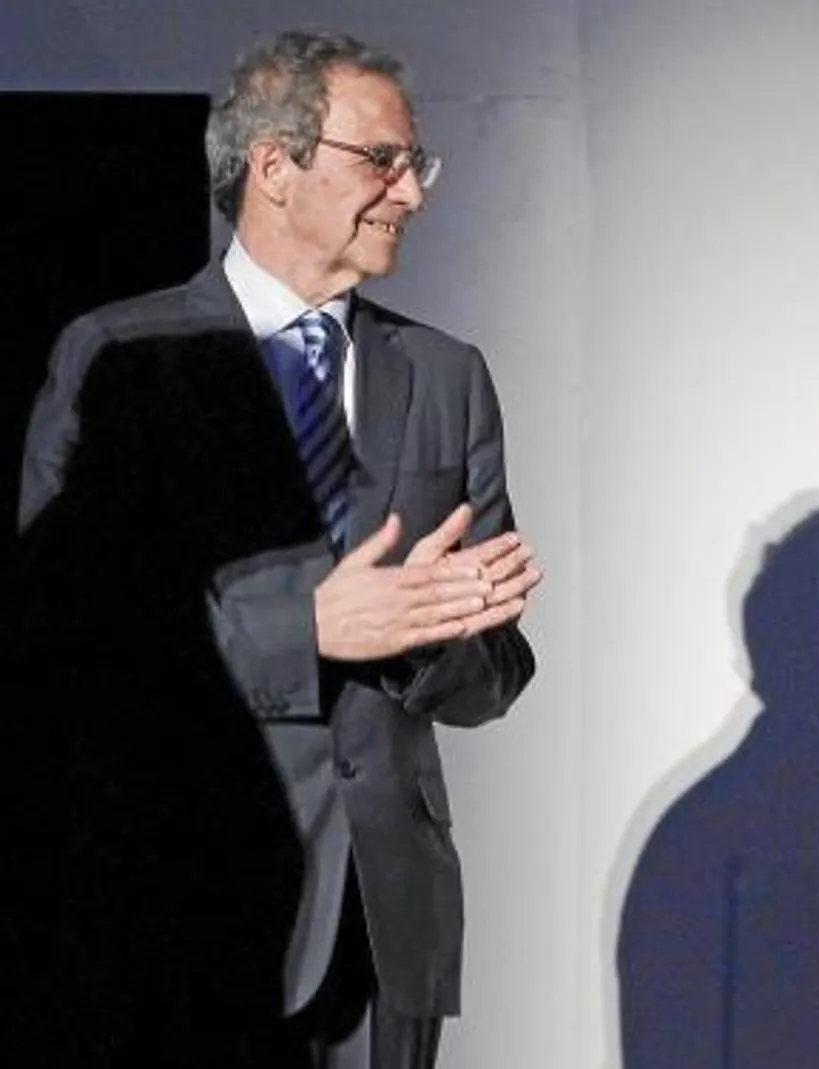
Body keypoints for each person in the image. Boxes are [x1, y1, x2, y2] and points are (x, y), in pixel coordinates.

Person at [20, 29, 541, 1069]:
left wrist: (423, 637)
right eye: (381, 160)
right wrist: (310, 628)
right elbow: (58, 635)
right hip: (186, 898)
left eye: (416, 164)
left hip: (381, 921)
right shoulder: (124, 356)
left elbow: (492, 674)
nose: (411, 193)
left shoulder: (445, 375)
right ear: (272, 165)